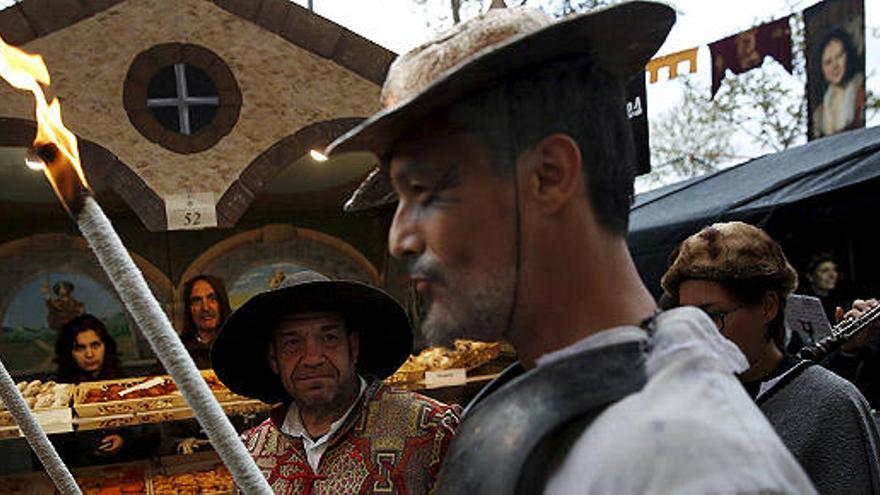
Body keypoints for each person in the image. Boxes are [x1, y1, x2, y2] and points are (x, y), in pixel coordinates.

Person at [327, 4, 814, 493]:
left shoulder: (692, 468)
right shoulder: (541, 397)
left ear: (549, 175)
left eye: (428, 192)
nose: (399, 238)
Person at [661, 221, 880, 494]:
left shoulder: (832, 403)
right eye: (687, 318)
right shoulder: (689, 399)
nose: (696, 333)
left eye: (712, 316)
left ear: (768, 307)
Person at [211, 271, 459, 494]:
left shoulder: (430, 429)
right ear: (274, 359)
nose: (312, 358)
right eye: (292, 343)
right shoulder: (250, 453)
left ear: (353, 347)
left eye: (329, 338)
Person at [53, 314, 158, 466]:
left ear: (105, 346)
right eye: (80, 348)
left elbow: (149, 432)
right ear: (69, 352)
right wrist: (89, 446)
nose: (89, 354)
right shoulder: (59, 392)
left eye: (95, 345)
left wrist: (123, 440)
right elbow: (55, 444)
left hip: (128, 467)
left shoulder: (123, 383)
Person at [812, 28, 865, 139]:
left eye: (839, 56)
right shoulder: (820, 112)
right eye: (828, 62)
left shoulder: (860, 92)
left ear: (848, 55)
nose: (835, 66)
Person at [180, 274, 230, 369]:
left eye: (212, 299)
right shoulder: (175, 351)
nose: (205, 308)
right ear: (189, 309)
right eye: (197, 301)